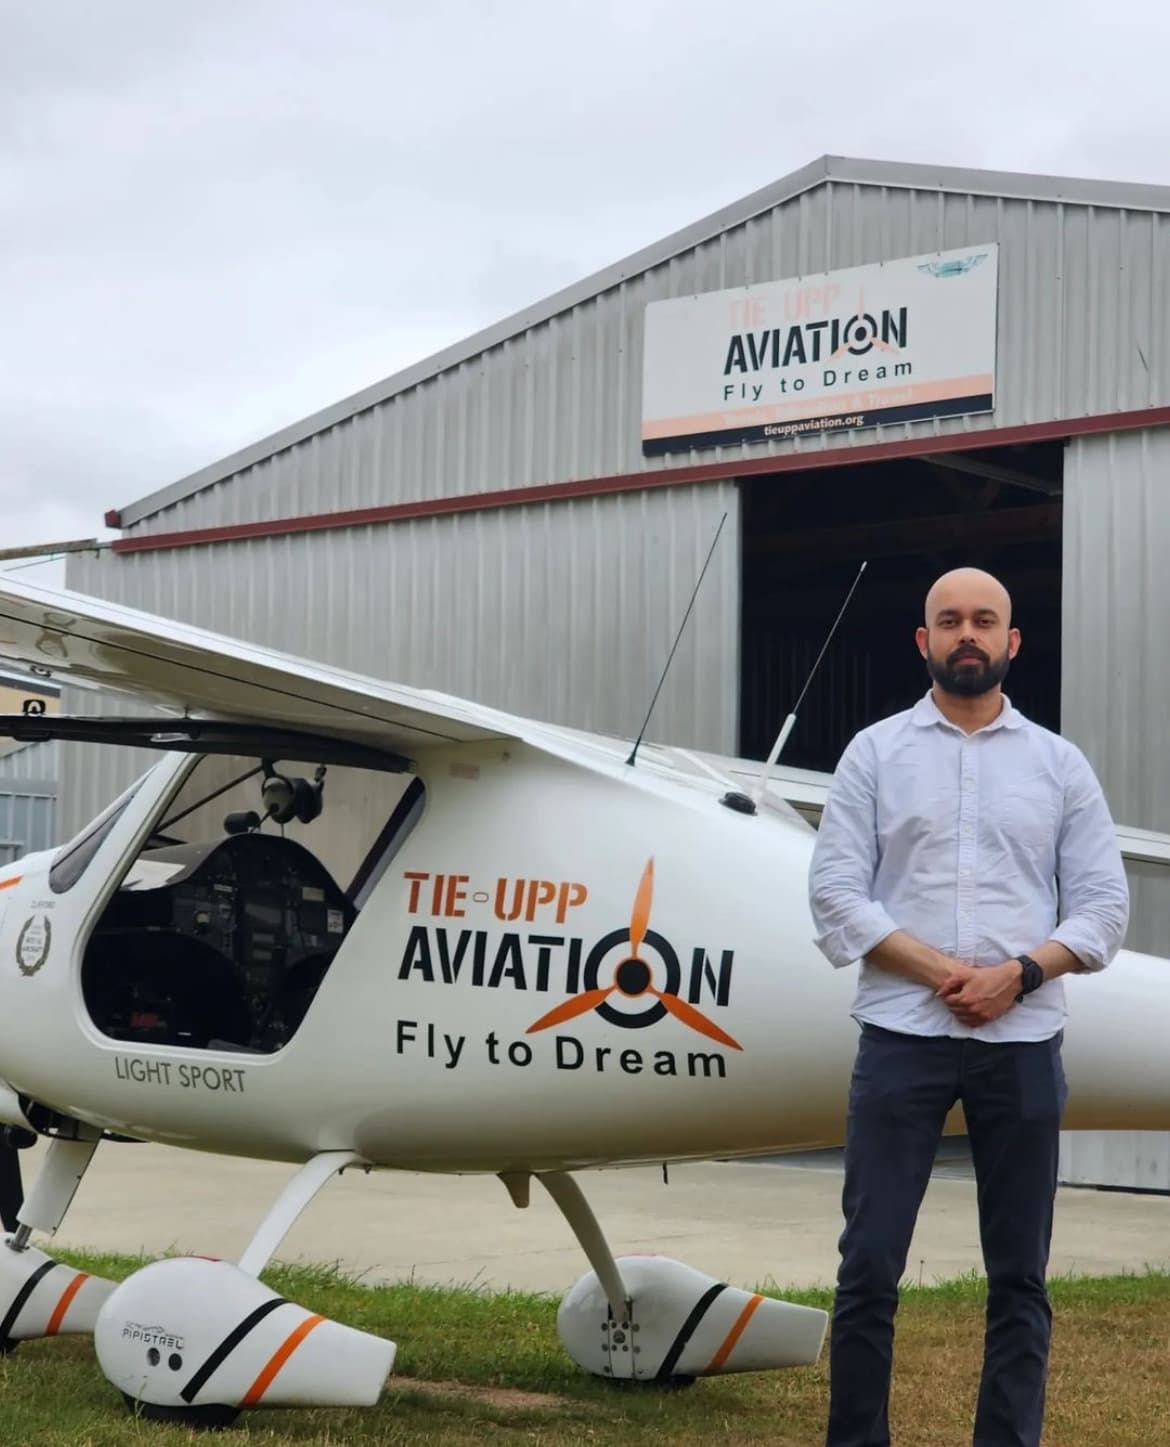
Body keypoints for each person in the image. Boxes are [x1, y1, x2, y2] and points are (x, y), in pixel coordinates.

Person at [808, 567, 1129, 1447]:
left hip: (1022, 1042)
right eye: (949, 620)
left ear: (1012, 641)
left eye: (985, 619)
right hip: (901, 1037)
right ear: (924, 642)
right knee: (869, 1264)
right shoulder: (874, 753)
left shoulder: (1060, 766)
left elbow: (1103, 909)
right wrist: (942, 969)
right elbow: (836, 893)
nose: (967, 634)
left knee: (1019, 1272)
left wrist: (1017, 974)